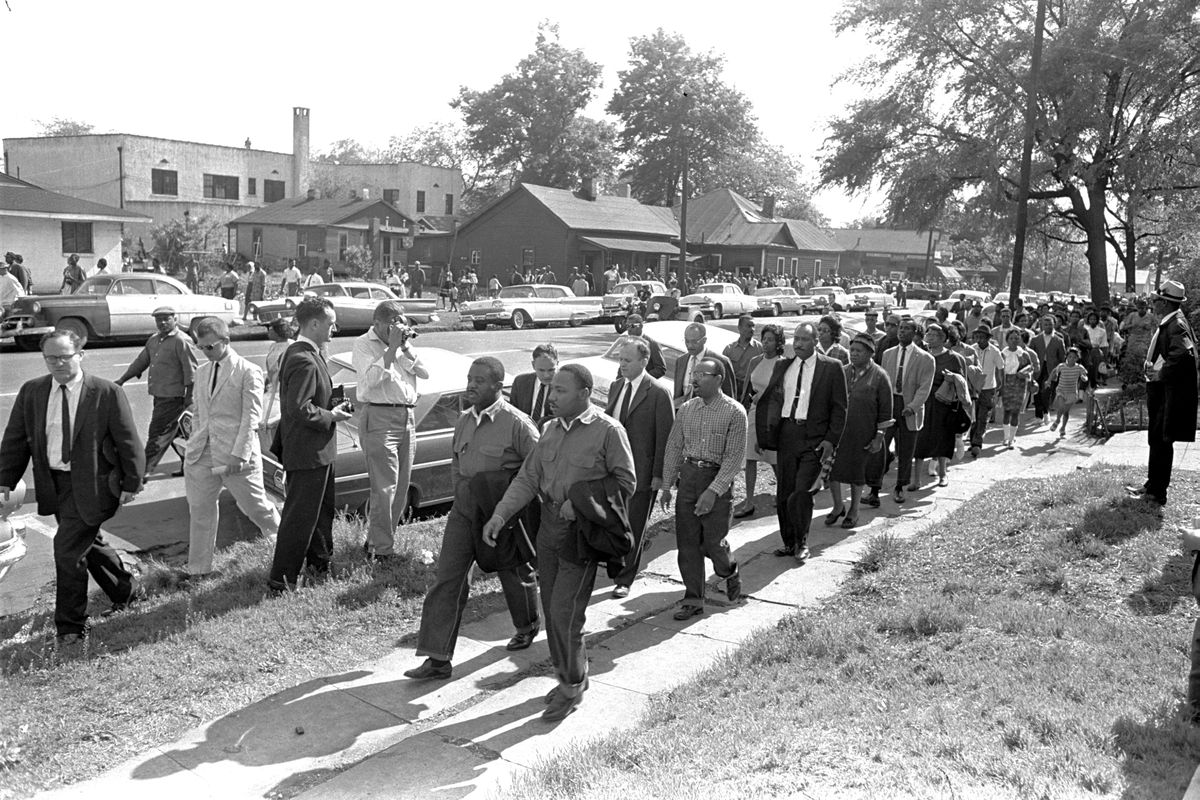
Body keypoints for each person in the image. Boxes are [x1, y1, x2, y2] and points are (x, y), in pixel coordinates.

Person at [482, 365, 636, 721]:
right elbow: (527, 478)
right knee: (553, 611)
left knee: (566, 613)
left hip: (581, 534)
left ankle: (570, 686)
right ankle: (571, 673)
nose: (552, 397)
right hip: (548, 532)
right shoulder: (549, 430)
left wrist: (581, 502)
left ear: (584, 393)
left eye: (561, 391)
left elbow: (627, 482)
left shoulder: (608, 431)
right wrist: (500, 516)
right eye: (551, 390)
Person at [0, 330, 145, 646]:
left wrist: (132, 482)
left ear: (81, 354)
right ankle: (128, 591)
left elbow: (128, 441)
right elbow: (14, 441)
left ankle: (71, 627)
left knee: (67, 551)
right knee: (86, 543)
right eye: (50, 358)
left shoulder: (105, 393)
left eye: (64, 356)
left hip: (94, 485)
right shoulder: (32, 392)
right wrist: (3, 484)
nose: (57, 363)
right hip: (55, 484)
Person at [403, 357, 541, 681]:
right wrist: (462, 498)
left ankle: (527, 624)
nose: (472, 384)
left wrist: (509, 509)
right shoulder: (463, 419)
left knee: (512, 571)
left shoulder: (518, 424)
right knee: (447, 578)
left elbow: (537, 469)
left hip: (502, 512)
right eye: (469, 378)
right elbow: (456, 463)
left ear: (497, 385)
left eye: (480, 380)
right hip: (465, 511)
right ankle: (437, 659)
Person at [268, 297, 355, 591]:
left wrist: (331, 405)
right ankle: (282, 579)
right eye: (331, 323)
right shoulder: (302, 358)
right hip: (307, 452)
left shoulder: (311, 352)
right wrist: (331, 414)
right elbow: (299, 408)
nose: (335, 328)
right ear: (314, 324)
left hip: (319, 450)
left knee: (321, 514)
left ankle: (320, 565)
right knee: (300, 517)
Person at [183, 318, 280, 578]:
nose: (205, 352)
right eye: (199, 347)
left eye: (210, 347)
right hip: (202, 452)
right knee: (200, 511)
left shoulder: (248, 371)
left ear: (226, 341)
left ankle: (282, 548)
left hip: (237, 456)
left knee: (256, 507)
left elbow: (252, 418)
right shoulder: (202, 372)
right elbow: (199, 412)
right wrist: (194, 441)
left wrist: (240, 454)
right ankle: (198, 571)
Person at [660, 356, 746, 619]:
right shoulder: (687, 409)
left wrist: (713, 491)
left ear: (718, 379)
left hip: (716, 481)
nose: (694, 379)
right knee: (687, 544)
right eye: (694, 374)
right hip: (689, 478)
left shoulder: (734, 412)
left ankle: (728, 569)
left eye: (702, 374)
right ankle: (693, 599)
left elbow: (733, 459)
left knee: (712, 543)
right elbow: (674, 446)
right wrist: (666, 485)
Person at [755, 322, 847, 563]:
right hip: (787, 435)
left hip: (814, 439)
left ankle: (803, 542)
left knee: (802, 491)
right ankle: (789, 542)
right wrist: (765, 435)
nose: (798, 343)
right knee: (784, 492)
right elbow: (772, 401)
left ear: (816, 341)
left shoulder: (832, 368)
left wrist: (831, 440)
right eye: (795, 338)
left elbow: (840, 409)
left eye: (804, 339)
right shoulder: (784, 365)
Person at [351, 301, 429, 561]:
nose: (398, 328)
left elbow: (424, 373)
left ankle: (378, 540)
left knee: (401, 487)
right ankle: (382, 551)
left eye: (401, 323)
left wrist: (405, 348)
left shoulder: (402, 344)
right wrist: (391, 348)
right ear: (378, 324)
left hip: (407, 415)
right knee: (384, 487)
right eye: (392, 324)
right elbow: (370, 381)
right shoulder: (364, 344)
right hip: (380, 415)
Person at [604, 338, 673, 598]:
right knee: (613, 521)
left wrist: (659, 475)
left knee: (634, 524)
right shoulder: (615, 387)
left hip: (642, 472)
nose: (622, 365)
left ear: (644, 361)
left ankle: (625, 578)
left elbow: (664, 438)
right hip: (613, 470)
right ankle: (614, 562)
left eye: (628, 360)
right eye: (620, 359)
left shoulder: (658, 392)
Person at [1130, 280, 1197, 506]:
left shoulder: (1176, 325)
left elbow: (1184, 355)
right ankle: (1152, 484)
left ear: (1166, 303)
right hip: (1161, 391)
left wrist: (1162, 374)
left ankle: (1158, 492)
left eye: (1157, 300)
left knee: (1161, 440)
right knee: (1156, 439)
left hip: (1166, 392)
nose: (1153, 303)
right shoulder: (1171, 322)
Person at [115, 307, 197, 481]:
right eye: (158, 320)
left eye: (166, 319)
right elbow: (141, 361)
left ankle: (142, 472)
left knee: (157, 434)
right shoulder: (154, 340)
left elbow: (191, 371)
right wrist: (122, 380)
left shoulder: (182, 341)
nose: (162, 323)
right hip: (160, 395)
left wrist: (189, 397)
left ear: (175, 319)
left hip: (175, 397)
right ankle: (187, 464)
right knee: (177, 433)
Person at [827, 334, 893, 529]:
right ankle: (838, 506)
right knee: (833, 470)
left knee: (857, 473)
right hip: (839, 432)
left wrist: (879, 437)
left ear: (870, 353)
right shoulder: (842, 371)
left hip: (863, 432)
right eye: (852, 350)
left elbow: (886, 411)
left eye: (859, 351)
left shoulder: (880, 376)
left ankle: (854, 511)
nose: (853, 354)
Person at [878, 320, 935, 504]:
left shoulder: (925, 358)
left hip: (909, 406)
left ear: (916, 332)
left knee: (906, 450)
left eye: (907, 328)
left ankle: (900, 487)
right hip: (890, 404)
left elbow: (924, 388)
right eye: (900, 328)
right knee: (880, 447)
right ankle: (873, 488)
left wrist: (913, 406)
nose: (902, 331)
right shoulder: (888, 354)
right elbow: (883, 381)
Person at [733, 324, 783, 518]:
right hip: (754, 413)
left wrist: (766, 398)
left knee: (773, 459)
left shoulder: (783, 363)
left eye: (770, 339)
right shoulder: (755, 361)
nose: (766, 343)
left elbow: (784, 392)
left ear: (778, 342)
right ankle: (749, 501)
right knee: (750, 458)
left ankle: (782, 494)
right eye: (764, 339)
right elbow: (747, 389)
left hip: (773, 416)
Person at [912, 324, 967, 488]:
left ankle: (943, 474)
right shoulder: (921, 356)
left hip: (943, 404)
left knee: (943, 439)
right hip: (923, 403)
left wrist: (953, 378)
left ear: (944, 338)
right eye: (928, 333)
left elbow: (962, 382)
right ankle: (916, 480)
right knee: (920, 440)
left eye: (934, 334)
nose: (929, 336)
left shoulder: (953, 358)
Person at [673, 322, 734, 408]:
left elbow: (729, 396)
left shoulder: (720, 361)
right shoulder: (681, 361)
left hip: (710, 415)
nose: (690, 345)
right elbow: (678, 393)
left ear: (704, 340)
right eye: (687, 341)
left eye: (694, 342)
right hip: (683, 413)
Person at [968, 325, 1003, 456]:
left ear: (988, 338)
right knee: (973, 416)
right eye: (977, 336)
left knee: (983, 416)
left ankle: (977, 442)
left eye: (982, 336)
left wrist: (1001, 385)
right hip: (974, 387)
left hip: (988, 387)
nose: (979, 339)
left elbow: (1001, 368)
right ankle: (973, 441)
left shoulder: (994, 351)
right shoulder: (971, 350)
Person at [998, 328, 1035, 449]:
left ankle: (1012, 438)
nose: (1014, 341)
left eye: (1016, 338)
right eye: (1011, 338)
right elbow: (998, 370)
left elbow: (1031, 367)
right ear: (1007, 340)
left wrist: (1024, 373)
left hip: (1019, 383)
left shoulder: (1023, 354)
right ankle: (1005, 437)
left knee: (1016, 411)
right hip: (1006, 383)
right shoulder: (1002, 354)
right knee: (1007, 410)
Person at [510, 343, 559, 427]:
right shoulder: (520, 382)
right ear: (533, 365)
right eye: (541, 370)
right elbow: (513, 414)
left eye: (551, 370)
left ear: (557, 363)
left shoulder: (565, 386)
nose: (546, 375)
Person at [1030, 315, 1068, 421]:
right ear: (1041, 326)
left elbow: (1062, 357)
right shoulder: (1035, 339)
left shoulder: (1059, 340)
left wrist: (1061, 370)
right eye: (1045, 324)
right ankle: (1038, 413)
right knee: (1036, 391)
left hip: (1051, 369)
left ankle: (1046, 411)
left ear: (1054, 325)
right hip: (1038, 368)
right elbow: (1030, 355)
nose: (1048, 327)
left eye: (1050, 324)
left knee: (1046, 391)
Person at [722, 315, 764, 401]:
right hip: (733, 389)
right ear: (739, 328)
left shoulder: (760, 349)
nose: (752, 329)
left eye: (753, 326)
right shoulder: (729, 349)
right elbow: (722, 372)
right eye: (749, 326)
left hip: (751, 389)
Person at [262, 318, 295, 427]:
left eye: (271, 330)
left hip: (281, 392)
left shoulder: (291, 346)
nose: (268, 332)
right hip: (271, 387)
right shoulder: (273, 346)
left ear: (279, 332)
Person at [1049, 347, 1087, 436]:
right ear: (1066, 357)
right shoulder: (1062, 366)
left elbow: (1085, 375)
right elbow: (1054, 371)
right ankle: (1057, 421)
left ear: (1077, 358)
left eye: (1074, 357)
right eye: (1070, 357)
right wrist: (1048, 380)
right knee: (1061, 407)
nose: (1072, 359)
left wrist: (1084, 378)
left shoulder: (1079, 368)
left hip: (1072, 393)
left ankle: (1063, 428)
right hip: (1061, 390)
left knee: (1066, 412)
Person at [1120, 298, 1158, 387]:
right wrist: (1132, 325)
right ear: (1137, 308)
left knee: (1143, 360)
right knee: (1131, 360)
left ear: (1146, 308)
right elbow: (1123, 327)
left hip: (1145, 341)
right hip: (1133, 341)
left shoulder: (1151, 317)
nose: (1141, 310)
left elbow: (1157, 328)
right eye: (1139, 308)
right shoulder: (1132, 316)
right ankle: (1130, 380)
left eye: (1143, 308)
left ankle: (1142, 379)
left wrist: (1148, 328)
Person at [624, 314, 666, 379]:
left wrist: (641, 378)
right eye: (627, 326)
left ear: (641, 326)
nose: (629, 329)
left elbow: (660, 369)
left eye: (632, 326)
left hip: (644, 386)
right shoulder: (626, 343)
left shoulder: (652, 344)